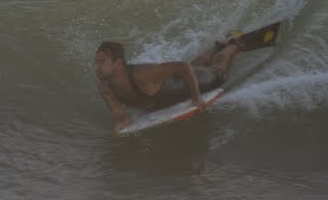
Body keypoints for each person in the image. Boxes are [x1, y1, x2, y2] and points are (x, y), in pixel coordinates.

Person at [94, 35, 244, 134]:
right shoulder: (105, 88)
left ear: (119, 63)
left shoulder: (142, 74)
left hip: (183, 87)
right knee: (195, 66)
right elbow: (121, 117)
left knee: (219, 73)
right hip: (172, 87)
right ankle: (217, 47)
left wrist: (196, 97)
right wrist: (120, 126)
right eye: (95, 62)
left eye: (101, 62)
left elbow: (183, 67)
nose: (97, 67)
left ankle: (233, 44)